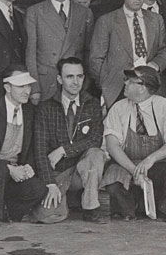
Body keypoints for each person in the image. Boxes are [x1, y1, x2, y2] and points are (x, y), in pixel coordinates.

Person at [100, 66, 166, 223]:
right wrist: (135, 171)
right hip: (127, 165)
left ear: (142, 87)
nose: (125, 83)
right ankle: (128, 209)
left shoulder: (165, 106)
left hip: (155, 165)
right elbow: (112, 146)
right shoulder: (118, 108)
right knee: (112, 177)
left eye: (129, 81)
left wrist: (151, 159)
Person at [29, 57, 108, 224]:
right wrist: (50, 184)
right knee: (49, 217)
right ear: (59, 79)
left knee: (96, 154)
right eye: (69, 77)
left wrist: (64, 150)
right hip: (59, 173)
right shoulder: (46, 108)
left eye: (79, 76)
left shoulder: (91, 104)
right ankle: (69, 198)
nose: (75, 82)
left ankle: (91, 207)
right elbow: (40, 149)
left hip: (82, 170)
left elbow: (95, 139)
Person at [0, 66, 49, 226]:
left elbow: (32, 147)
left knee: (39, 188)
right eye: (21, 86)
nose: (27, 91)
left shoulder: (29, 111)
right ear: (7, 87)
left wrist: (28, 167)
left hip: (14, 171)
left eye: (28, 86)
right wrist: (8, 168)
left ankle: (8, 211)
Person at [88, 0, 166, 107]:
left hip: (148, 89)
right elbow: (96, 60)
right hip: (117, 91)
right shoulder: (107, 21)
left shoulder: (156, 20)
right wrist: (107, 84)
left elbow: (163, 53)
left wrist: (154, 66)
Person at [24, 0, 94, 105]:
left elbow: (89, 52)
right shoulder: (34, 12)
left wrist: (84, 84)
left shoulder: (84, 13)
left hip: (74, 86)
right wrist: (35, 88)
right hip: (46, 86)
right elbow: (30, 54)